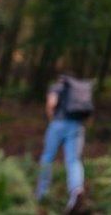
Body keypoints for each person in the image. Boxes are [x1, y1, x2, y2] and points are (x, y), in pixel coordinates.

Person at [35, 74, 92, 212]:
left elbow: (51, 103)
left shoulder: (56, 87)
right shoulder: (78, 90)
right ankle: (76, 190)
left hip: (58, 123)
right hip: (77, 125)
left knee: (47, 157)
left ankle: (42, 194)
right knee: (74, 160)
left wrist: (52, 118)